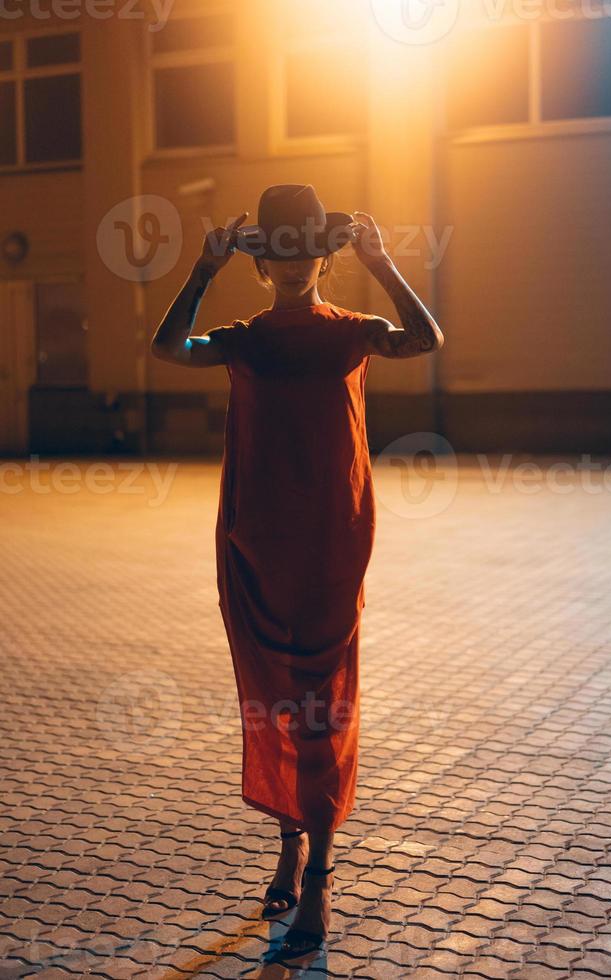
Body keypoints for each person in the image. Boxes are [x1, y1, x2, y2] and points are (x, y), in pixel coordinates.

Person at [151, 183, 444, 962]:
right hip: (257, 542)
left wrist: (382, 264)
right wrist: (201, 271)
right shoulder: (244, 337)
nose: (293, 265)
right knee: (276, 699)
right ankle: (289, 844)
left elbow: (427, 338)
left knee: (322, 704)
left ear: (323, 255)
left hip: (329, 544)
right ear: (262, 263)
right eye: (278, 252)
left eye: (306, 250)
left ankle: (318, 872)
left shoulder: (352, 331)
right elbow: (166, 349)